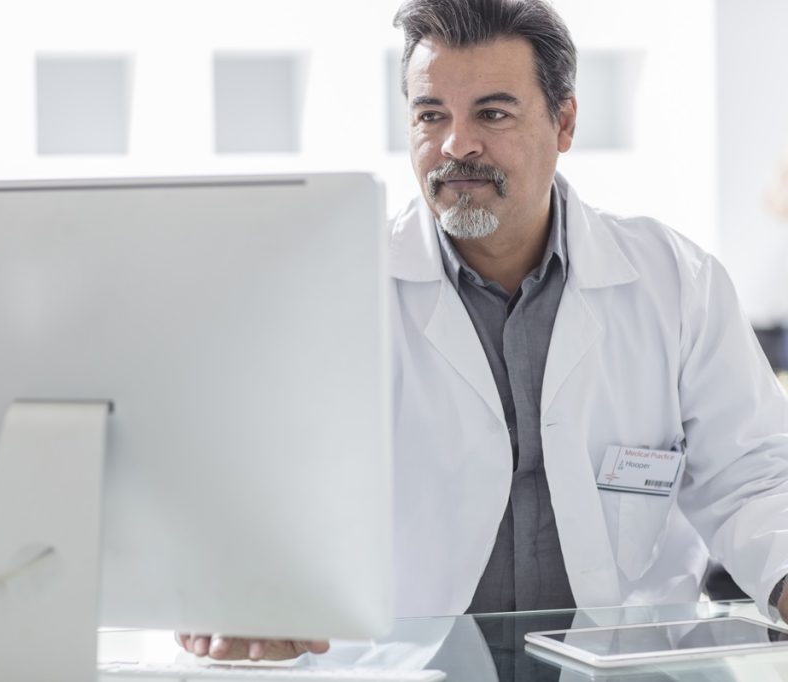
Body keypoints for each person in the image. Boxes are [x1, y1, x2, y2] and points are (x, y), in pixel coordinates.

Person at [180, 0, 788, 661]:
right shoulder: (335, 293)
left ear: (565, 122)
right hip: (404, 666)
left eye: (492, 114)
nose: (455, 145)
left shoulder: (675, 281)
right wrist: (231, 579)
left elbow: (751, 477)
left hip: (629, 665)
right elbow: (259, 487)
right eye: (430, 114)